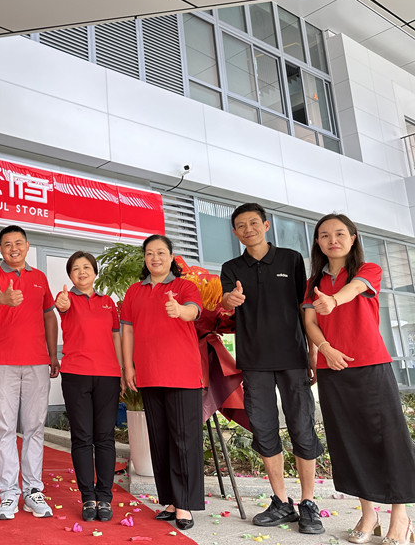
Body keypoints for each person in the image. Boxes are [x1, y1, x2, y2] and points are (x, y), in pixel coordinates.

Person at [303, 213, 415, 545]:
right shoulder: (312, 283)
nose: (332, 240)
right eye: (324, 235)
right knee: (348, 441)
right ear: (317, 242)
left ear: (353, 238)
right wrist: (325, 349)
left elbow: (354, 290)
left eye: (340, 233)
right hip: (332, 370)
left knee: (388, 439)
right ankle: (369, 514)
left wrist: (333, 300)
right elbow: (310, 323)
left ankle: (400, 515)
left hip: (371, 366)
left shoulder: (368, 270)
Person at [220, 202, 324, 534]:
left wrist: (312, 353)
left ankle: (308, 503)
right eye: (241, 225)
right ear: (235, 232)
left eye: (253, 222)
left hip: (293, 358)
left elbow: (305, 308)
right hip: (254, 362)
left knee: (302, 427)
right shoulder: (231, 267)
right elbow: (225, 301)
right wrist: (229, 300)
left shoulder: (291, 259)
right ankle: (281, 501)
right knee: (264, 430)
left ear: (266, 226)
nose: (247, 229)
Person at [121, 234, 204, 531]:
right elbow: (127, 331)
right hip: (149, 373)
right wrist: (128, 366)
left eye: (160, 252)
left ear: (171, 257)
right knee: (160, 439)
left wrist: (180, 311)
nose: (154, 258)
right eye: (149, 253)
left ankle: (185, 504)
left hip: (182, 374)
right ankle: (170, 500)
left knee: (184, 439)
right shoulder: (134, 291)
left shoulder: (184, 287)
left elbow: (194, 310)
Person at [0, 225, 59, 520]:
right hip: (2, 362)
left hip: (37, 362)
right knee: (4, 429)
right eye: (7, 244)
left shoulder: (40, 278)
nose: (13, 248)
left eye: (18, 243)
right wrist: (5, 298)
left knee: (34, 428)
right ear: (0, 249)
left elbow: (49, 315)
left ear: (27, 246)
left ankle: (32, 490)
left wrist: (53, 354)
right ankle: (8, 493)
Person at [55, 251, 124, 522]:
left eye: (86, 267)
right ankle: (88, 497)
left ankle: (104, 496)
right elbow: (61, 307)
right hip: (76, 375)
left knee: (105, 438)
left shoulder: (108, 303)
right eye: (75, 269)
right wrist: (62, 303)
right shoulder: (66, 298)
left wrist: (121, 371)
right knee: (82, 438)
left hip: (108, 376)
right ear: (70, 275)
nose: (82, 272)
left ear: (95, 272)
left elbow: (116, 338)